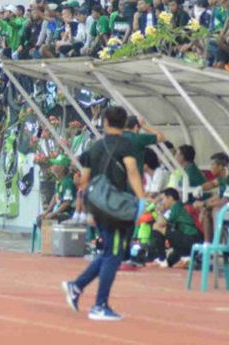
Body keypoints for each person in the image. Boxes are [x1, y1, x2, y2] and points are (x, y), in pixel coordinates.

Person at [62, 106, 145, 321]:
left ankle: (77, 286)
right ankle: (100, 305)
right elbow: (133, 172)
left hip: (98, 205)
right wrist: (142, 198)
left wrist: (88, 208)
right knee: (113, 255)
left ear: (106, 122)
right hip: (116, 207)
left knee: (108, 251)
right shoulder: (126, 145)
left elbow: (84, 181)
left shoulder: (95, 147)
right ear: (124, 122)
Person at [151, 188, 202, 268]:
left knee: (156, 226)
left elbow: (160, 224)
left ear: (170, 198)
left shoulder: (176, 207)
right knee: (171, 262)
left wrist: (160, 211)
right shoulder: (175, 208)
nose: (162, 202)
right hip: (187, 240)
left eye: (163, 199)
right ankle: (188, 259)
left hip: (189, 239)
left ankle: (162, 259)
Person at [38, 154, 76, 224]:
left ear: (61, 168)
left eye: (55, 164)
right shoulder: (59, 181)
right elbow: (55, 197)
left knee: (44, 221)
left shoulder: (67, 183)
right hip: (59, 212)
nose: (52, 166)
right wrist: (46, 212)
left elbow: (67, 203)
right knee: (40, 219)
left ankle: (50, 235)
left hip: (67, 214)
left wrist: (53, 214)